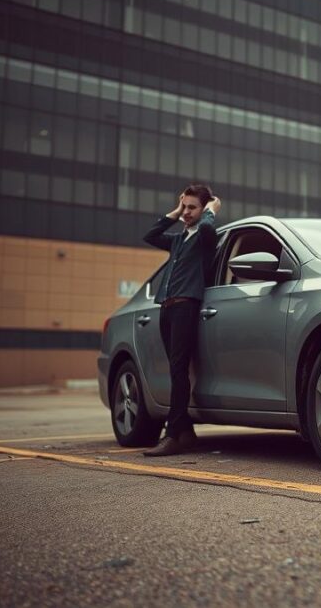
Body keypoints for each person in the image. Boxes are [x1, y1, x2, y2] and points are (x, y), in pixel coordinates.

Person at [141, 185, 221, 457]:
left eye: (192, 208)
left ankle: (173, 434)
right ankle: (186, 432)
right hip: (167, 307)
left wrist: (211, 211)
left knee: (179, 370)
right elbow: (150, 235)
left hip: (187, 307)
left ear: (204, 208)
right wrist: (174, 213)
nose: (187, 212)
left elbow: (210, 230)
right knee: (175, 370)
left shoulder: (204, 238)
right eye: (184, 207)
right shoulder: (178, 239)